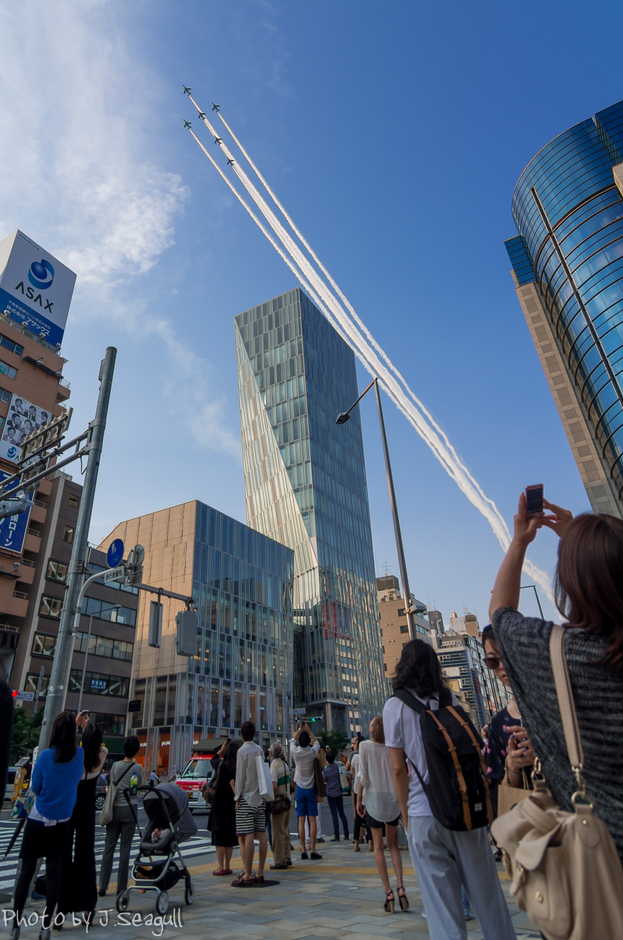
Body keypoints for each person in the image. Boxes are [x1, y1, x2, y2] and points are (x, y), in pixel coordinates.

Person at [489, 494, 623, 866]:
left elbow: (500, 614)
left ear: (568, 584)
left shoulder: (557, 655)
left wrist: (520, 540)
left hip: (599, 871)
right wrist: (582, 540)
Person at [384, 639, 516, 940]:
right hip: (463, 807)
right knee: (488, 897)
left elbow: (397, 769)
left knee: (441, 909)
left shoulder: (393, 706)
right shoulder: (450, 701)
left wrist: (406, 816)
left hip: (422, 812)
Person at [10, 711, 84, 940]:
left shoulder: (45, 757)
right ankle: (45, 926)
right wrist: (78, 725)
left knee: (27, 873)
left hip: (38, 819)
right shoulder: (79, 755)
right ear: (73, 734)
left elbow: (37, 788)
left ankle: (16, 925)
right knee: (54, 874)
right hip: (62, 821)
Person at [481, 625, 535, 818]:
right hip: (532, 828)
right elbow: (500, 794)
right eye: (493, 661)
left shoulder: (556, 702)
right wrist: (512, 766)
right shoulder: (499, 723)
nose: (501, 666)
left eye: (507, 655)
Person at [58, 722, 108, 924]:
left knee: (64, 855)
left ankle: (62, 908)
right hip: (88, 809)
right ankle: (88, 906)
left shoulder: (76, 754)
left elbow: (69, 745)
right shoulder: (101, 755)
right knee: (85, 854)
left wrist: (78, 724)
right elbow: (100, 746)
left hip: (70, 806)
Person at [357, 716, 406, 913]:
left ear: (372, 730)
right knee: (393, 845)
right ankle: (401, 887)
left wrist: (359, 799)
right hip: (392, 797)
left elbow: (363, 776)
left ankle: (388, 892)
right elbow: (399, 772)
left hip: (375, 799)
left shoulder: (365, 746)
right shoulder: (392, 747)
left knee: (378, 846)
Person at [98, 735, 143, 899]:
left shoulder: (116, 766)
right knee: (125, 849)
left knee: (108, 848)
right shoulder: (137, 768)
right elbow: (139, 786)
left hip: (114, 810)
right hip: (130, 810)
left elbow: (112, 782)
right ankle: (121, 887)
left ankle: (102, 886)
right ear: (136, 750)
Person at [232, 721, 267, 886]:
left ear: (241, 734)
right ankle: (260, 872)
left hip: (246, 797)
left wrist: (237, 796)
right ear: (254, 733)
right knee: (261, 833)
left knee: (247, 835)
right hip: (260, 797)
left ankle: (247, 874)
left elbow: (240, 776)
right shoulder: (259, 750)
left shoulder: (242, 751)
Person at [290, 723, 322, 860]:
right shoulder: (311, 752)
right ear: (308, 741)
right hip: (311, 788)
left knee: (301, 820)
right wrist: (309, 731)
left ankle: (303, 849)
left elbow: (292, 740)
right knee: (312, 820)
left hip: (300, 789)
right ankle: (313, 849)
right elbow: (317, 743)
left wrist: (299, 730)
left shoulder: (295, 752)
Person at [207, 741, 238, 876]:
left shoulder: (220, 764)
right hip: (231, 805)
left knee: (219, 837)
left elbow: (213, 759)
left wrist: (220, 750)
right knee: (229, 837)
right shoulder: (236, 767)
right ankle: (227, 866)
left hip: (218, 805)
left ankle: (220, 867)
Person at [346, 734, 372, 852]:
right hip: (368, 789)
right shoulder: (368, 756)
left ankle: (356, 844)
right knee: (369, 816)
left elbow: (351, 772)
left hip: (357, 789)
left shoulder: (355, 757)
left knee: (358, 817)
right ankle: (371, 844)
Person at [269, 743, 292, 869]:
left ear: (271, 754)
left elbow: (274, 786)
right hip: (287, 801)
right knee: (285, 830)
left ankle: (279, 860)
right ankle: (287, 856)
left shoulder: (273, 767)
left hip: (278, 803)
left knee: (277, 832)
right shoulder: (285, 765)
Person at [322, 751, 349, 842]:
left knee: (334, 814)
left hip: (330, 793)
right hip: (338, 792)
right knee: (342, 813)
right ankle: (346, 833)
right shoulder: (337, 766)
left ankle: (336, 835)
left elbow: (325, 780)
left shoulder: (326, 770)